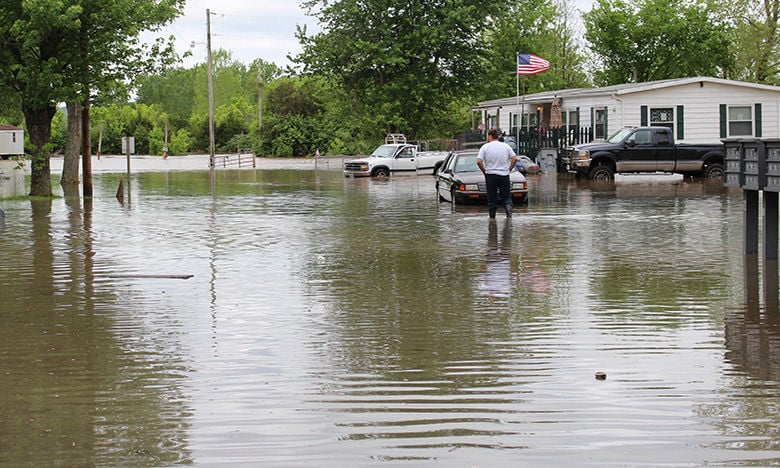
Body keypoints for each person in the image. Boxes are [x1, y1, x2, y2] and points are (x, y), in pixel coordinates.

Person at [477, 128, 518, 219]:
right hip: (504, 175)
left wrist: (484, 171)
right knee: (506, 196)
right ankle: (508, 211)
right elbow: (515, 158)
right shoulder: (506, 146)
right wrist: (509, 169)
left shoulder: (485, 147)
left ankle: (492, 218)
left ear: (490, 136)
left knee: (492, 198)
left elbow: (479, 161)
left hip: (491, 175)